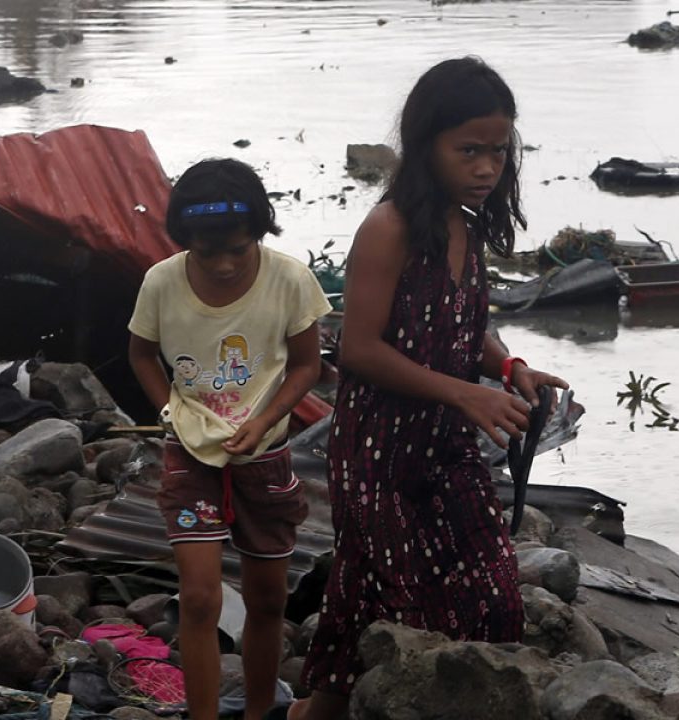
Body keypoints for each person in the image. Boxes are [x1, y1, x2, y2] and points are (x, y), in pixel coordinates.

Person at [290, 57, 569, 720]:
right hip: (378, 457)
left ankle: (313, 712)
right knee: (407, 617)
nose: (485, 167)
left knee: (495, 601)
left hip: (445, 449)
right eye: (468, 150)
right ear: (425, 147)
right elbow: (356, 349)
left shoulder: (466, 226)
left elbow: (463, 324)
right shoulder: (389, 228)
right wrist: (462, 393)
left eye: (498, 151)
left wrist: (506, 369)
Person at [128, 158, 332, 720]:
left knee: (268, 600)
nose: (222, 264)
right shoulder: (162, 282)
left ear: (260, 233)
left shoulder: (290, 280)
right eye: (206, 251)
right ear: (184, 240)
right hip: (190, 457)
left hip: (265, 459)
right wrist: (170, 408)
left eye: (238, 250)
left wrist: (264, 422)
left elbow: (308, 366)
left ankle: (260, 710)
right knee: (198, 598)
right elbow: (141, 355)